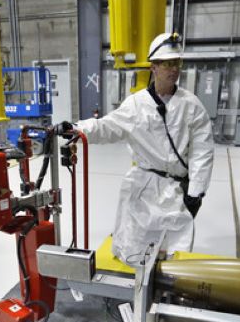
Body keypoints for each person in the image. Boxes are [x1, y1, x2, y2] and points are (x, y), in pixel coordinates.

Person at [69, 32, 214, 264]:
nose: (173, 69)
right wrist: (76, 129)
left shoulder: (192, 106)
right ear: (153, 67)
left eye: (176, 63)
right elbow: (107, 127)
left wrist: (196, 192)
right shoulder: (137, 105)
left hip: (177, 191)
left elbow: (202, 151)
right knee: (135, 248)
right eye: (167, 63)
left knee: (174, 255)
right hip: (143, 188)